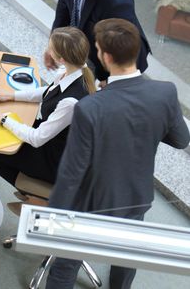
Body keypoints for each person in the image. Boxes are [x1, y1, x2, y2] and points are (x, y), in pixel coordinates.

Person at [45, 18, 190, 289]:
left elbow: (71, 174)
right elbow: (182, 139)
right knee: (125, 261)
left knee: (63, 270)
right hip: (135, 198)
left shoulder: (90, 107)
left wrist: (52, 221)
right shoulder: (165, 93)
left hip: (91, 204)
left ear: (106, 56)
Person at [0, 27, 95, 209]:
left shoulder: (70, 102)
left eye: (51, 48)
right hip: (53, 137)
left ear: (61, 58)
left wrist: (1, 118)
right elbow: (48, 92)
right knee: (3, 136)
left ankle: (37, 197)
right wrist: (9, 95)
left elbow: (37, 139)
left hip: (56, 159)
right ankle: (32, 193)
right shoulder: (74, 70)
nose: (48, 51)